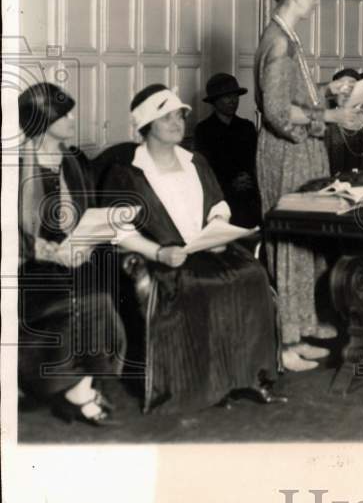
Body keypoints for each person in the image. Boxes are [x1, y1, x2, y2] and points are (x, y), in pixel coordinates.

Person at [105, 85, 283, 413]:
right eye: (167, 118)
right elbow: (119, 230)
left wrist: (217, 230)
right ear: (146, 125)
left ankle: (250, 377)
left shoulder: (195, 161)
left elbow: (218, 204)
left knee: (252, 275)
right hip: (166, 256)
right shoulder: (127, 173)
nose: (177, 124)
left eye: (180, 117)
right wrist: (158, 253)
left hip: (207, 248)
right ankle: (205, 385)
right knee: (198, 285)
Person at [254, 0, 363, 372]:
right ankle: (285, 344)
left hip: (300, 151)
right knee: (288, 242)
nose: (316, 2)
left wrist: (326, 89)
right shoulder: (279, 43)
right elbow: (278, 113)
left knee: (304, 241)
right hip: (287, 153)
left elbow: (292, 95)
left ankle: (300, 326)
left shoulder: (285, 37)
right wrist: (332, 115)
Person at [17, 83, 126, 426]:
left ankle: (81, 387)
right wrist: (46, 252)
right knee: (88, 300)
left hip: (72, 258)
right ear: (43, 120)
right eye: (64, 115)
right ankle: (78, 391)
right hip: (28, 266)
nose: (72, 119)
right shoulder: (15, 166)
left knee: (100, 288)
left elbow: (87, 214)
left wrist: (85, 244)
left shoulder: (74, 161)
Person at [194, 73, 261, 228]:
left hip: (249, 193)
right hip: (220, 194)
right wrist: (231, 183)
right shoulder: (204, 130)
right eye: (227, 96)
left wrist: (248, 180)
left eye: (235, 96)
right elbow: (204, 169)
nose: (233, 101)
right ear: (214, 101)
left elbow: (255, 162)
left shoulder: (247, 127)